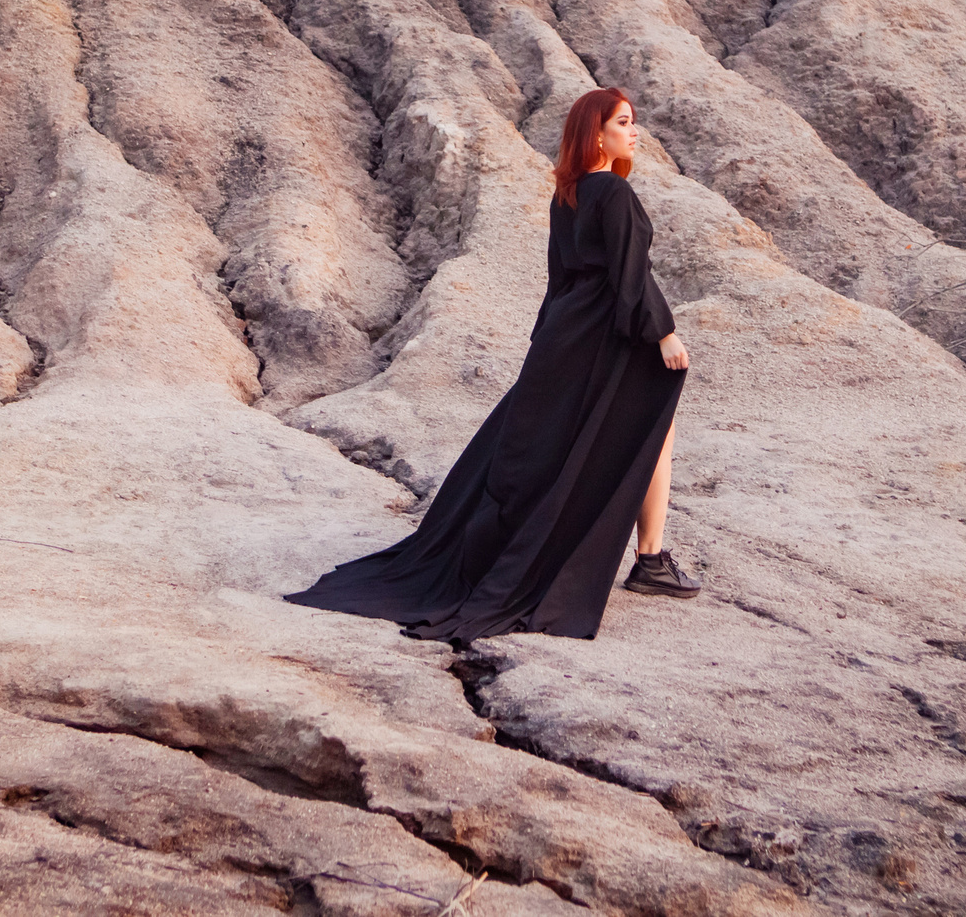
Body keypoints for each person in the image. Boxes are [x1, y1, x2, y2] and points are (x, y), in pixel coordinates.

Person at [285, 88, 701, 639]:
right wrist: (664, 335)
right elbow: (630, 276)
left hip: (565, 334)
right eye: (624, 122)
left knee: (623, 435)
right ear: (595, 134)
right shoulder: (614, 194)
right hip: (605, 336)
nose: (634, 131)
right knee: (636, 430)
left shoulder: (568, 195)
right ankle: (647, 562)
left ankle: (651, 558)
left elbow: (560, 278)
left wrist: (545, 344)